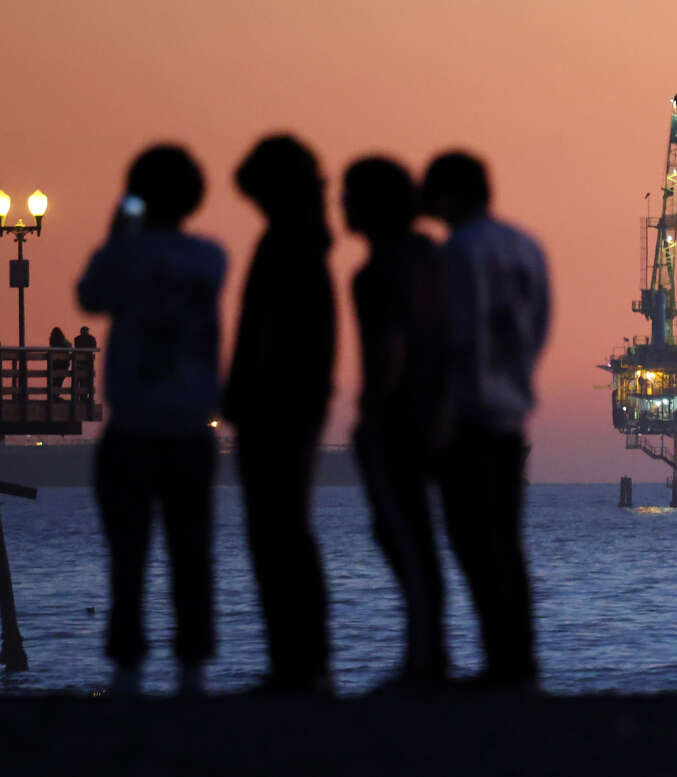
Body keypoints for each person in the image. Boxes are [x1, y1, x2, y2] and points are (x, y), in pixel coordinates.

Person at [77, 144, 226, 696]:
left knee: (128, 554)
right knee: (192, 553)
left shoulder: (126, 256)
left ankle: (128, 667)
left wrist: (120, 229)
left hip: (134, 422)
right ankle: (192, 666)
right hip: (190, 426)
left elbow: (89, 295)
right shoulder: (211, 257)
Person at [421, 151, 551, 690]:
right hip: (510, 411)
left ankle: (500, 664)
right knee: (507, 541)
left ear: (452, 194)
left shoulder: (459, 251)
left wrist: (445, 409)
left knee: (472, 540)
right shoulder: (525, 247)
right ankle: (518, 662)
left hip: (469, 415)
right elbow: (540, 321)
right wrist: (518, 381)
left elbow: (461, 331)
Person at [224, 135, 334, 695]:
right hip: (294, 409)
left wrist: (242, 395)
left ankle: (296, 663)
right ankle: (304, 660)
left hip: (276, 413)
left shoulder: (283, 248)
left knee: (276, 534)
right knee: (289, 533)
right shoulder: (307, 247)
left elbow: (265, 335)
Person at [345, 156, 451, 689]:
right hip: (441, 414)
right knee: (421, 539)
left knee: (400, 534)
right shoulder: (435, 260)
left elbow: (388, 349)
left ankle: (423, 658)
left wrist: (370, 416)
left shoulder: (376, 274)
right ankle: (431, 652)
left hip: (399, 420)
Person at [73, 326, 98, 401]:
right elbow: (94, 347)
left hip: (79, 362)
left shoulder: (77, 339)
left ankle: (78, 397)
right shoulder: (91, 338)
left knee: (79, 380)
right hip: (87, 362)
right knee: (86, 380)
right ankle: (83, 397)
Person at [48, 327, 72, 397]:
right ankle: (56, 395)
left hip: (55, 363)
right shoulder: (63, 340)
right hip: (63, 363)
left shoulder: (52, 341)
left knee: (54, 380)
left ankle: (54, 396)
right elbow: (70, 346)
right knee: (59, 380)